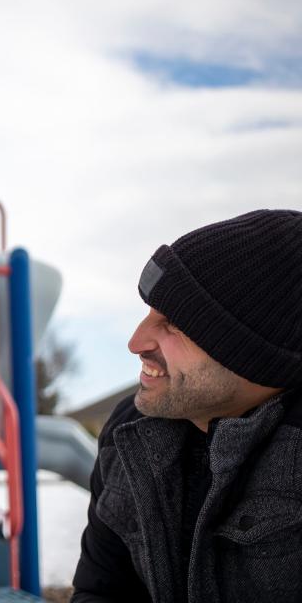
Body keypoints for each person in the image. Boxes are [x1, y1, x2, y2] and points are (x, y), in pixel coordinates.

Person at [71, 209, 302, 603]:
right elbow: (102, 592)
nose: (136, 341)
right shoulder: (130, 434)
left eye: (175, 323)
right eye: (149, 313)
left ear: (253, 352)